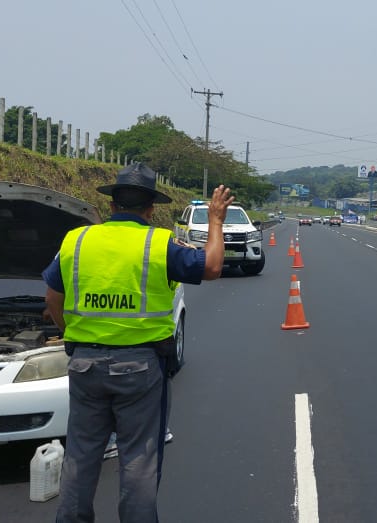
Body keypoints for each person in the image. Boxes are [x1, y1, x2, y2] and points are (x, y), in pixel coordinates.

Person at [43, 162, 234, 522]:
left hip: (84, 365)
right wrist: (216, 220)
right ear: (150, 209)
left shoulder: (77, 239)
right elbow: (210, 266)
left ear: (112, 205)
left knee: (80, 457)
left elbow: (52, 298)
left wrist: (73, 331)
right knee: (139, 461)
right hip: (141, 370)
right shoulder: (159, 242)